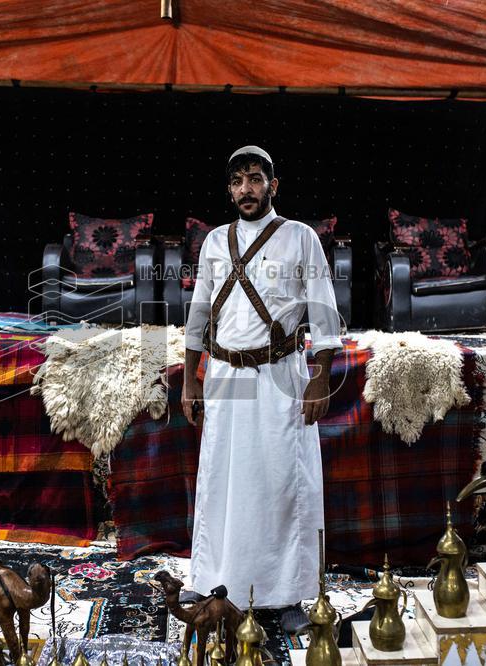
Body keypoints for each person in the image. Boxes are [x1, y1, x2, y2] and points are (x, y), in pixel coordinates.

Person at [181, 146, 343, 632]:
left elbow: (324, 311)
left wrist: (320, 376)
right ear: (229, 189)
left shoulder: (300, 238)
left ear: (274, 185)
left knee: (282, 484)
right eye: (237, 181)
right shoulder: (214, 242)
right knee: (223, 478)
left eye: (255, 179)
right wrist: (191, 378)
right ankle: (212, 576)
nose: (245, 189)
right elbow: (199, 313)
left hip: (281, 379)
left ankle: (292, 592)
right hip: (227, 378)